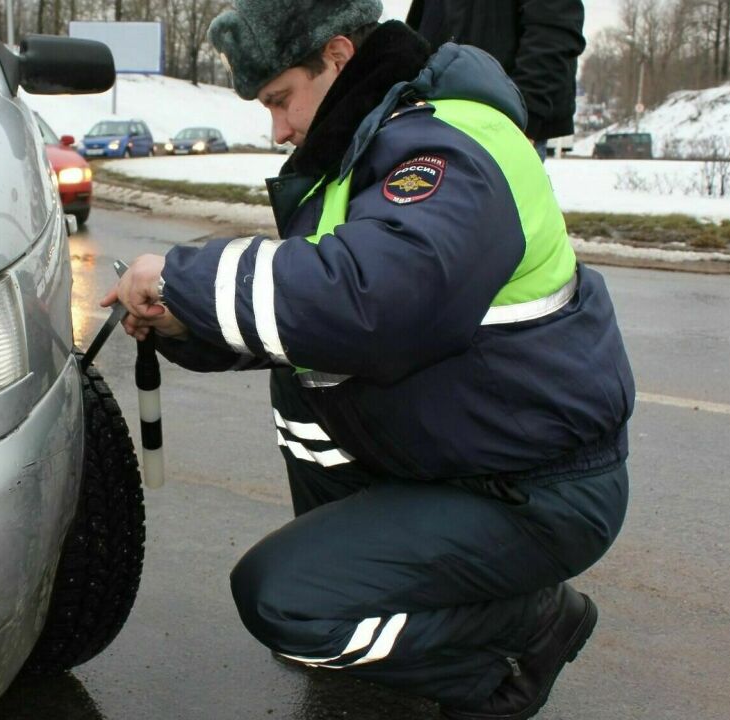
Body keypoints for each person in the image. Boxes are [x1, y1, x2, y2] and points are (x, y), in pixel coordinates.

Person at [102, 1, 634, 718]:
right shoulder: (366, 152)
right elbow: (309, 318)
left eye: (281, 100)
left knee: (286, 604)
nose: (279, 129)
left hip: (536, 487)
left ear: (340, 56)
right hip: (468, 456)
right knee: (303, 380)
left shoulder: (448, 146)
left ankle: (523, 635)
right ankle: (371, 591)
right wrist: (179, 323)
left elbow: (367, 305)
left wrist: (179, 276)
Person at [406, 0, 585, 161]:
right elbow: (422, 25)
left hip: (505, 127)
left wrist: (525, 119)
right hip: (431, 118)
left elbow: (553, 32)